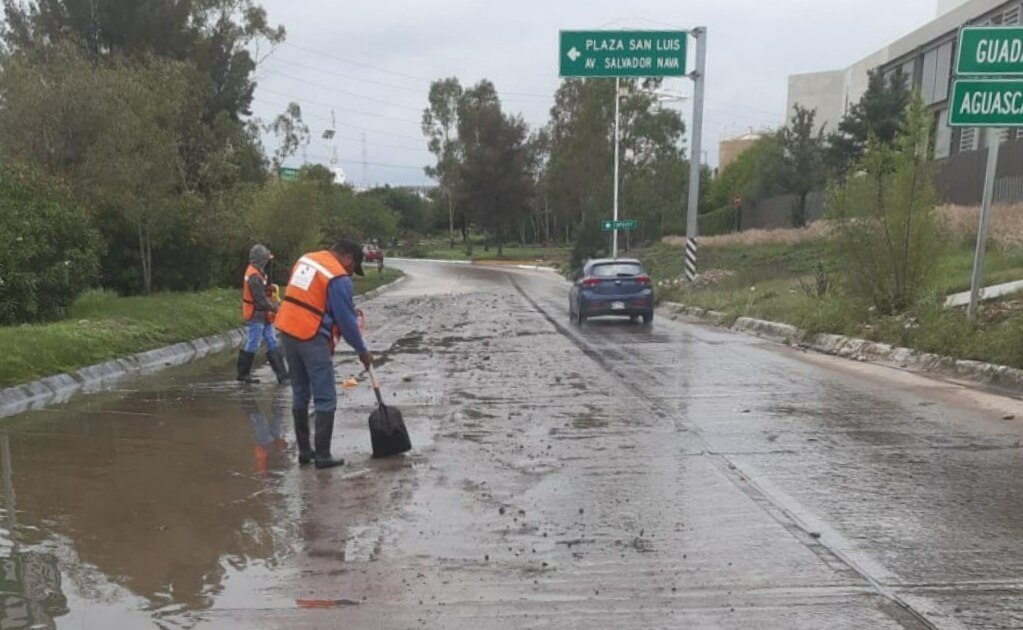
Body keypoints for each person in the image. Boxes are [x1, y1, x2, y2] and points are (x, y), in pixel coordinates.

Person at [274, 239, 373, 469]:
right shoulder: (337, 277)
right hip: (310, 334)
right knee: (325, 395)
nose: (350, 273)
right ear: (347, 257)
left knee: (300, 391)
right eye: (353, 267)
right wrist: (362, 351)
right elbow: (347, 322)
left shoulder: (306, 259)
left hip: (287, 329)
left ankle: (305, 452)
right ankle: (323, 455)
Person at [238, 244, 289, 385]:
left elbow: (262, 295)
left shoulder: (257, 272)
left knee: (271, 340)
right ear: (261, 259)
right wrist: (276, 308)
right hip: (255, 315)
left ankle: (282, 375)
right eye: (266, 259)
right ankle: (243, 374)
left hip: (263, 315)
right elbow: (260, 300)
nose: (268, 262)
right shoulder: (254, 276)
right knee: (253, 343)